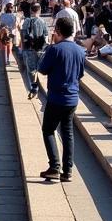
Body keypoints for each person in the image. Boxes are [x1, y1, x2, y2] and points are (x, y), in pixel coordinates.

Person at [36, 16, 86, 182]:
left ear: (57, 31)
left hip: (57, 97)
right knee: (67, 132)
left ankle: (55, 166)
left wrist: (51, 45)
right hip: (72, 97)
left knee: (48, 130)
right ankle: (68, 170)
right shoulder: (80, 50)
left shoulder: (55, 49)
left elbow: (42, 69)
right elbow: (80, 74)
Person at [20, 2, 48, 99]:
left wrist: (23, 47)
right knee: (38, 68)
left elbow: (23, 34)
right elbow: (46, 35)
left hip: (29, 48)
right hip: (40, 48)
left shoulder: (27, 21)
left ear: (31, 10)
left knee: (31, 69)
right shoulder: (43, 21)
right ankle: (38, 84)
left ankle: (34, 86)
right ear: (39, 10)